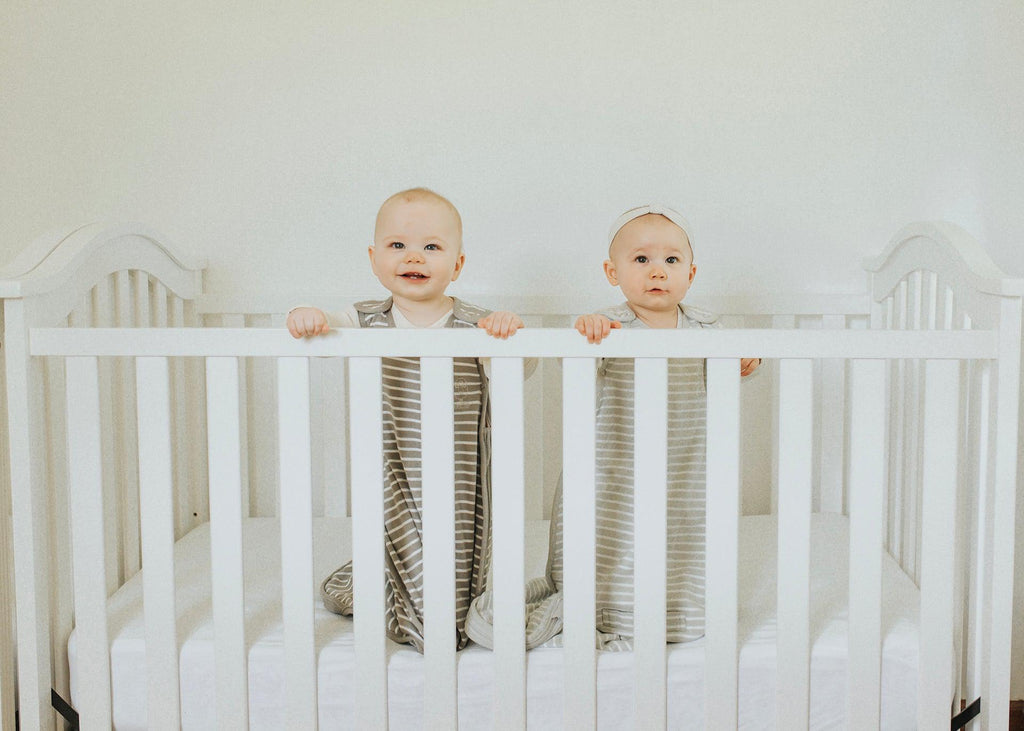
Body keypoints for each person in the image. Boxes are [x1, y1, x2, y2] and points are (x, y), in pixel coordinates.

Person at [466, 204, 759, 650]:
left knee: (683, 535)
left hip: (686, 465)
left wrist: (746, 359)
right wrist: (587, 333)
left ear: (691, 273)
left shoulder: (706, 327)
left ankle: (678, 608)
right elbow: (572, 355)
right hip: (614, 466)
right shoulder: (608, 325)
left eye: (671, 260)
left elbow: (742, 360)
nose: (657, 271)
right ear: (612, 271)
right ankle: (605, 606)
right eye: (641, 259)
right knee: (611, 539)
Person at [287, 187, 525, 652]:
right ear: (374, 258)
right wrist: (304, 314)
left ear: (457, 265)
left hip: (460, 468)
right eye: (398, 246)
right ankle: (400, 605)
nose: (413, 256)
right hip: (393, 461)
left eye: (432, 247)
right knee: (403, 542)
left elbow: (525, 368)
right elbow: (318, 324)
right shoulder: (365, 320)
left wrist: (507, 338)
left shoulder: (475, 324)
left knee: (460, 556)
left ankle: (437, 609)